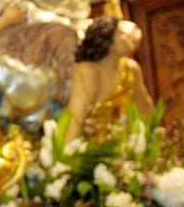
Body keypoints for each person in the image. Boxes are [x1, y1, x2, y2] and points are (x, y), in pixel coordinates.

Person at [61, 16, 151, 145]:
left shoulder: (131, 68)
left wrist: (154, 140)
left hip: (127, 145)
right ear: (108, 39)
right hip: (95, 148)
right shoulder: (88, 71)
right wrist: (66, 157)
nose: (133, 38)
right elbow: (76, 118)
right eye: (123, 34)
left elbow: (144, 107)